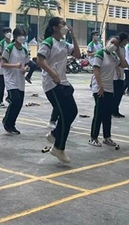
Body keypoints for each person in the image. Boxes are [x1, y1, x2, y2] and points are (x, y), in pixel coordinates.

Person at [37, 17, 80, 164]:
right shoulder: (48, 42)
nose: (65, 27)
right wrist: (53, 73)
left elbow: (77, 55)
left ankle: (55, 134)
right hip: (52, 83)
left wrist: (73, 36)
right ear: (55, 27)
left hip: (63, 81)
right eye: (62, 24)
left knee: (72, 111)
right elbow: (40, 60)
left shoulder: (63, 43)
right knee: (64, 114)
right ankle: (58, 148)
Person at [88, 36, 128, 147]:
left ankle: (107, 137)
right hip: (99, 87)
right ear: (107, 42)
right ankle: (93, 137)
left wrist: (119, 52)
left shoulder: (113, 56)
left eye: (116, 44)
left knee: (107, 114)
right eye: (112, 42)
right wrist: (100, 86)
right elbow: (96, 70)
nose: (113, 45)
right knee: (99, 113)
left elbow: (124, 65)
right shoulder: (100, 53)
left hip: (110, 87)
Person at [1, 27, 30, 135]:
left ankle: (11, 123)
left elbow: (27, 62)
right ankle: (8, 123)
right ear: (16, 37)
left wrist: (26, 68)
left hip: (20, 79)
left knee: (19, 103)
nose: (23, 38)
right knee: (15, 100)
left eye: (24, 35)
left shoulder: (24, 50)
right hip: (10, 79)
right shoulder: (9, 48)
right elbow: (3, 64)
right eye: (21, 35)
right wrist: (15, 66)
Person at [113, 32, 128, 118]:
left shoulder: (123, 48)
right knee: (116, 93)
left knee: (119, 93)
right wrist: (117, 68)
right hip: (115, 75)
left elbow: (123, 60)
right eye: (126, 40)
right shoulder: (116, 49)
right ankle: (113, 110)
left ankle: (116, 109)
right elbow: (114, 60)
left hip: (121, 73)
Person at [0, 27, 12, 107]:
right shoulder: (1, 43)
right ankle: (0, 100)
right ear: (3, 34)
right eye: (7, 32)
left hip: (10, 67)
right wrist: (5, 58)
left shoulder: (12, 43)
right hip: (2, 67)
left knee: (10, 83)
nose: (8, 33)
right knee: (1, 85)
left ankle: (9, 97)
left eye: (9, 31)